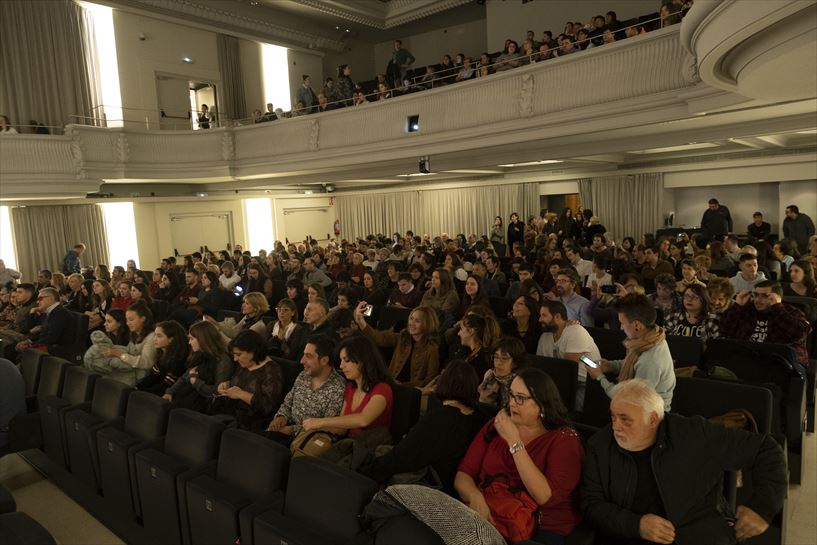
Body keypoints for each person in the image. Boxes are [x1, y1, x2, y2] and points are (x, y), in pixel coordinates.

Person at [580, 379, 787, 545]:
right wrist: (636, 525)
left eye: (625, 419)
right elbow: (591, 504)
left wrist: (763, 505)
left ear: (653, 419)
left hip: (697, 533)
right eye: (613, 417)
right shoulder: (600, 445)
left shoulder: (694, 434)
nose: (615, 426)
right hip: (630, 535)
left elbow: (765, 449)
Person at [456, 368, 584, 542]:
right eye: (511, 395)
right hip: (491, 510)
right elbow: (463, 474)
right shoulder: (497, 425)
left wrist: (514, 441)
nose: (512, 403)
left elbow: (544, 497)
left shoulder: (564, 439)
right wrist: (475, 496)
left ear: (542, 404)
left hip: (539, 527)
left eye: (521, 398)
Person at [370, 360, 487, 494]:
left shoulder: (441, 418)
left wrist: (372, 469)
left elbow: (403, 456)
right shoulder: (480, 417)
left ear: (445, 383)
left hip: (432, 488)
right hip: (459, 488)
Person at [583, 294, 675, 411]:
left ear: (637, 325)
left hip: (649, 416)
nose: (621, 328)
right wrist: (611, 366)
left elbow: (629, 400)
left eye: (622, 323)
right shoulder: (652, 338)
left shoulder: (650, 361)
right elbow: (634, 363)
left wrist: (599, 377)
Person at [302, 335, 393, 443]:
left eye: (347, 360)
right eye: (341, 360)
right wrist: (311, 427)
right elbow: (341, 429)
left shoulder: (382, 389)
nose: (341, 366)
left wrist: (320, 422)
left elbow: (363, 419)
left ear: (363, 360)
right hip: (347, 446)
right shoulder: (350, 387)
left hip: (369, 449)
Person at [266, 335, 345, 445]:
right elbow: (288, 403)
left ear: (324, 360)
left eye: (308, 356)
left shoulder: (338, 388)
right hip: (284, 431)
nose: (302, 361)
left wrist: (290, 430)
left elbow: (325, 428)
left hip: (306, 442)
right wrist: (281, 417)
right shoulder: (303, 375)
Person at [720, 280, 811, 369]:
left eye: (764, 296)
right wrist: (738, 306)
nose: (758, 300)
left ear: (777, 297)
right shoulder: (747, 309)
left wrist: (777, 308)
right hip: (747, 360)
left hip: (779, 363)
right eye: (756, 295)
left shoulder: (791, 312)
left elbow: (800, 334)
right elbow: (725, 331)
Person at [354, 301, 440, 388]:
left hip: (410, 391)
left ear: (427, 324)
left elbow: (430, 380)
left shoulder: (431, 349)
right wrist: (360, 321)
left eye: (417, 321)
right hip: (391, 384)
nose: (411, 323)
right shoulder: (402, 337)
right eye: (411, 318)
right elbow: (379, 338)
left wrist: (404, 386)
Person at [537, 299, 601, 410]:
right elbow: (540, 365)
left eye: (544, 315)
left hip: (585, 384)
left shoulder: (575, 331)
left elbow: (567, 368)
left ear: (557, 317)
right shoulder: (545, 337)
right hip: (558, 382)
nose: (540, 319)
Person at [216, 330, 283, 432]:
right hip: (231, 415)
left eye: (238, 354)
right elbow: (239, 382)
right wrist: (227, 384)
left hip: (251, 423)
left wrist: (240, 394)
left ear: (253, 352)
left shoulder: (272, 370)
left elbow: (268, 407)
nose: (235, 359)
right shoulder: (245, 363)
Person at [163, 320, 234, 411]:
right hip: (189, 400)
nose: (189, 342)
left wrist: (195, 382)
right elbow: (184, 377)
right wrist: (170, 392)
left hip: (205, 407)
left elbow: (218, 392)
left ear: (203, 339)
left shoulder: (223, 360)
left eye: (192, 339)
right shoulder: (198, 354)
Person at [102, 302, 157, 385]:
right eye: (127, 320)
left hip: (141, 377)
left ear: (143, 319)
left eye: (131, 320)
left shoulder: (151, 337)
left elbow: (146, 363)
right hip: (129, 370)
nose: (127, 323)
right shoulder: (133, 333)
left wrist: (119, 354)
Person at [14, 288, 76, 354]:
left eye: (40, 299)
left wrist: (31, 345)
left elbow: (51, 337)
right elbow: (31, 329)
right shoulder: (49, 312)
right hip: (48, 344)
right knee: (13, 348)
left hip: (56, 348)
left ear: (51, 298)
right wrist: (29, 341)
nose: (38, 302)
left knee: (16, 351)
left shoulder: (59, 312)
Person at [135, 320, 189, 396]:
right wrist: (136, 388)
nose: (154, 339)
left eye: (159, 336)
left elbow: (165, 386)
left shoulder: (179, 360)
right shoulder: (163, 354)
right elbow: (152, 376)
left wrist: (142, 393)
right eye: (155, 335)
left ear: (171, 339)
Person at [478, 337, 527, 409]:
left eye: (504, 358)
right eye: (496, 357)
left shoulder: (520, 383)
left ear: (516, 362)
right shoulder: (490, 374)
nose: (498, 363)